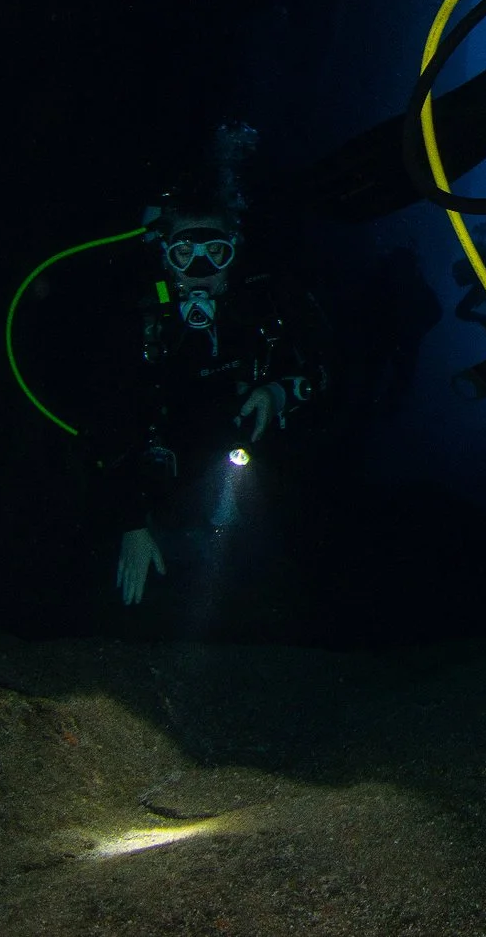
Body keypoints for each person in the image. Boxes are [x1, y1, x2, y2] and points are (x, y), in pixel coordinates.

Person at [95, 136, 335, 608]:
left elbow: (329, 369)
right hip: (163, 470)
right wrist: (130, 521)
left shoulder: (267, 306)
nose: (201, 270)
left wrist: (282, 392)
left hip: (249, 463)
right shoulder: (139, 321)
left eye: (216, 252)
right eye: (185, 254)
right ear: (164, 256)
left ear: (236, 254)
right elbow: (105, 419)